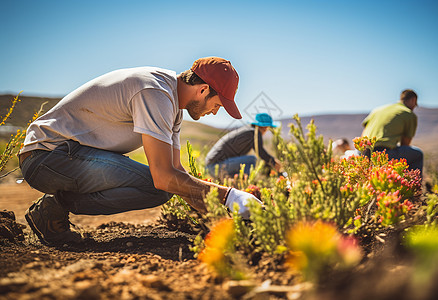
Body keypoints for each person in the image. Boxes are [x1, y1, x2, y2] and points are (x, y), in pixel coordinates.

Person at [19, 57, 262, 245]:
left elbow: (177, 173)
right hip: (47, 156)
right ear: (203, 89)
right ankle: (54, 207)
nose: (215, 112)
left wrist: (217, 219)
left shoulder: (173, 106)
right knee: (159, 187)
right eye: (217, 104)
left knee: (163, 190)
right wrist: (230, 196)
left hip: (68, 156)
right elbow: (163, 177)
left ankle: (52, 209)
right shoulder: (155, 92)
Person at [362, 89, 423, 174]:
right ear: (413, 100)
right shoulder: (409, 114)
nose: (414, 107)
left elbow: (365, 129)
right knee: (418, 154)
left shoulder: (378, 109)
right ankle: (410, 184)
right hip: (383, 153)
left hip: (362, 152)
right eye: (415, 104)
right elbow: (405, 144)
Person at [205, 113, 281, 179]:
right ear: (265, 127)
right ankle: (243, 181)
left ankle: (235, 180)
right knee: (252, 160)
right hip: (215, 167)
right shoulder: (254, 133)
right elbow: (261, 153)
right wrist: (274, 162)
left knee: (247, 161)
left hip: (212, 166)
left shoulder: (247, 131)